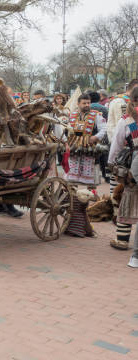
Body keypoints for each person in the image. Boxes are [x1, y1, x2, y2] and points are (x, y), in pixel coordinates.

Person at [107, 80, 138, 249]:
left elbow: (116, 145)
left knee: (128, 200)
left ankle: (122, 240)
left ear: (131, 100)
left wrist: (111, 164)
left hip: (134, 168)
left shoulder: (126, 120)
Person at [65, 93, 107, 189]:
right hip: (74, 148)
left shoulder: (96, 115)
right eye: (84, 103)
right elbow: (67, 130)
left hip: (90, 148)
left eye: (88, 103)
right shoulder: (72, 115)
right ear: (78, 104)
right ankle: (73, 196)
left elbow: (104, 129)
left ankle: (92, 196)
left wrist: (95, 137)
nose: (87, 105)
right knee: (72, 174)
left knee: (91, 176)